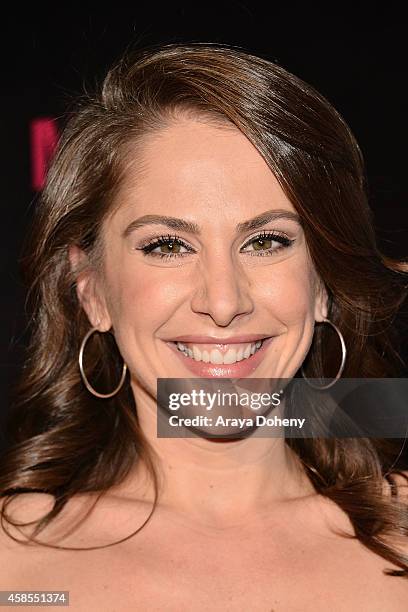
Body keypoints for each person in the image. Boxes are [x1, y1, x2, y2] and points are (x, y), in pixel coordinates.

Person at [1, 42, 408, 610]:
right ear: (92, 290)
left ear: (322, 284)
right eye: (167, 245)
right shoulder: (15, 566)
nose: (222, 301)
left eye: (267, 241)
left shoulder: (400, 543)